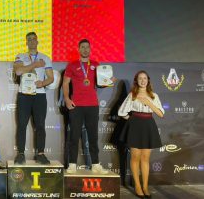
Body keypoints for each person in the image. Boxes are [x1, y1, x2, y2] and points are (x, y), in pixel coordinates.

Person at [62, 39, 111, 174]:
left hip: (92, 105)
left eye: (87, 47)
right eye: (82, 47)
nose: (85, 49)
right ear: (79, 49)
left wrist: (108, 82)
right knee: (74, 136)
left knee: (93, 137)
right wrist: (66, 99)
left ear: (90, 49)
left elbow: (100, 83)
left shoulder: (96, 64)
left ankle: (96, 164)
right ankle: (72, 164)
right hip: (76, 106)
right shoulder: (72, 65)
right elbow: (65, 83)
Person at [118, 70, 164, 198]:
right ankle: (137, 186)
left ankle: (145, 186)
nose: (143, 81)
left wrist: (149, 103)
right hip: (135, 126)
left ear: (148, 80)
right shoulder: (132, 95)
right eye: (140, 78)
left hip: (149, 125)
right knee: (135, 157)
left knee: (145, 158)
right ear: (136, 81)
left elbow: (161, 114)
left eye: (145, 78)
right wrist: (132, 120)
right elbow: (121, 112)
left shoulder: (154, 95)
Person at [13, 32, 54, 165]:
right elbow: (18, 72)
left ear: (37, 41)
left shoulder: (45, 58)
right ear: (26, 42)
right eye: (29, 39)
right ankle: (20, 154)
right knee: (22, 125)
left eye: (33, 39)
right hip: (24, 95)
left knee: (40, 125)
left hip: (39, 95)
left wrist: (42, 83)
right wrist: (35, 65)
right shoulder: (20, 56)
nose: (31, 41)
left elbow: (51, 78)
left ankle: (40, 154)